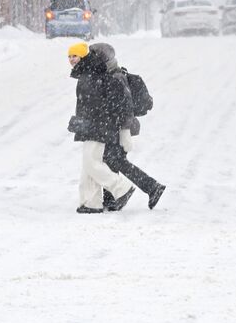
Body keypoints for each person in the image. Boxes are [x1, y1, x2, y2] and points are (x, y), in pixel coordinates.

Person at [91, 43, 165, 211]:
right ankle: (112, 200)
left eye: (94, 58)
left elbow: (125, 107)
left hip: (119, 128)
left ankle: (152, 187)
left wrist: (123, 130)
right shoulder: (110, 74)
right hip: (113, 127)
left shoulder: (116, 77)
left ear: (103, 59)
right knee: (112, 161)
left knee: (115, 161)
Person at [67, 42, 134, 214]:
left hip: (99, 125)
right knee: (88, 164)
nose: (71, 60)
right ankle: (90, 203)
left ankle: (121, 188)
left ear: (83, 56)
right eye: (69, 56)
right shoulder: (87, 71)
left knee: (91, 162)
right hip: (92, 124)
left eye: (75, 56)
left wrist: (122, 128)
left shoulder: (93, 71)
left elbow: (108, 101)